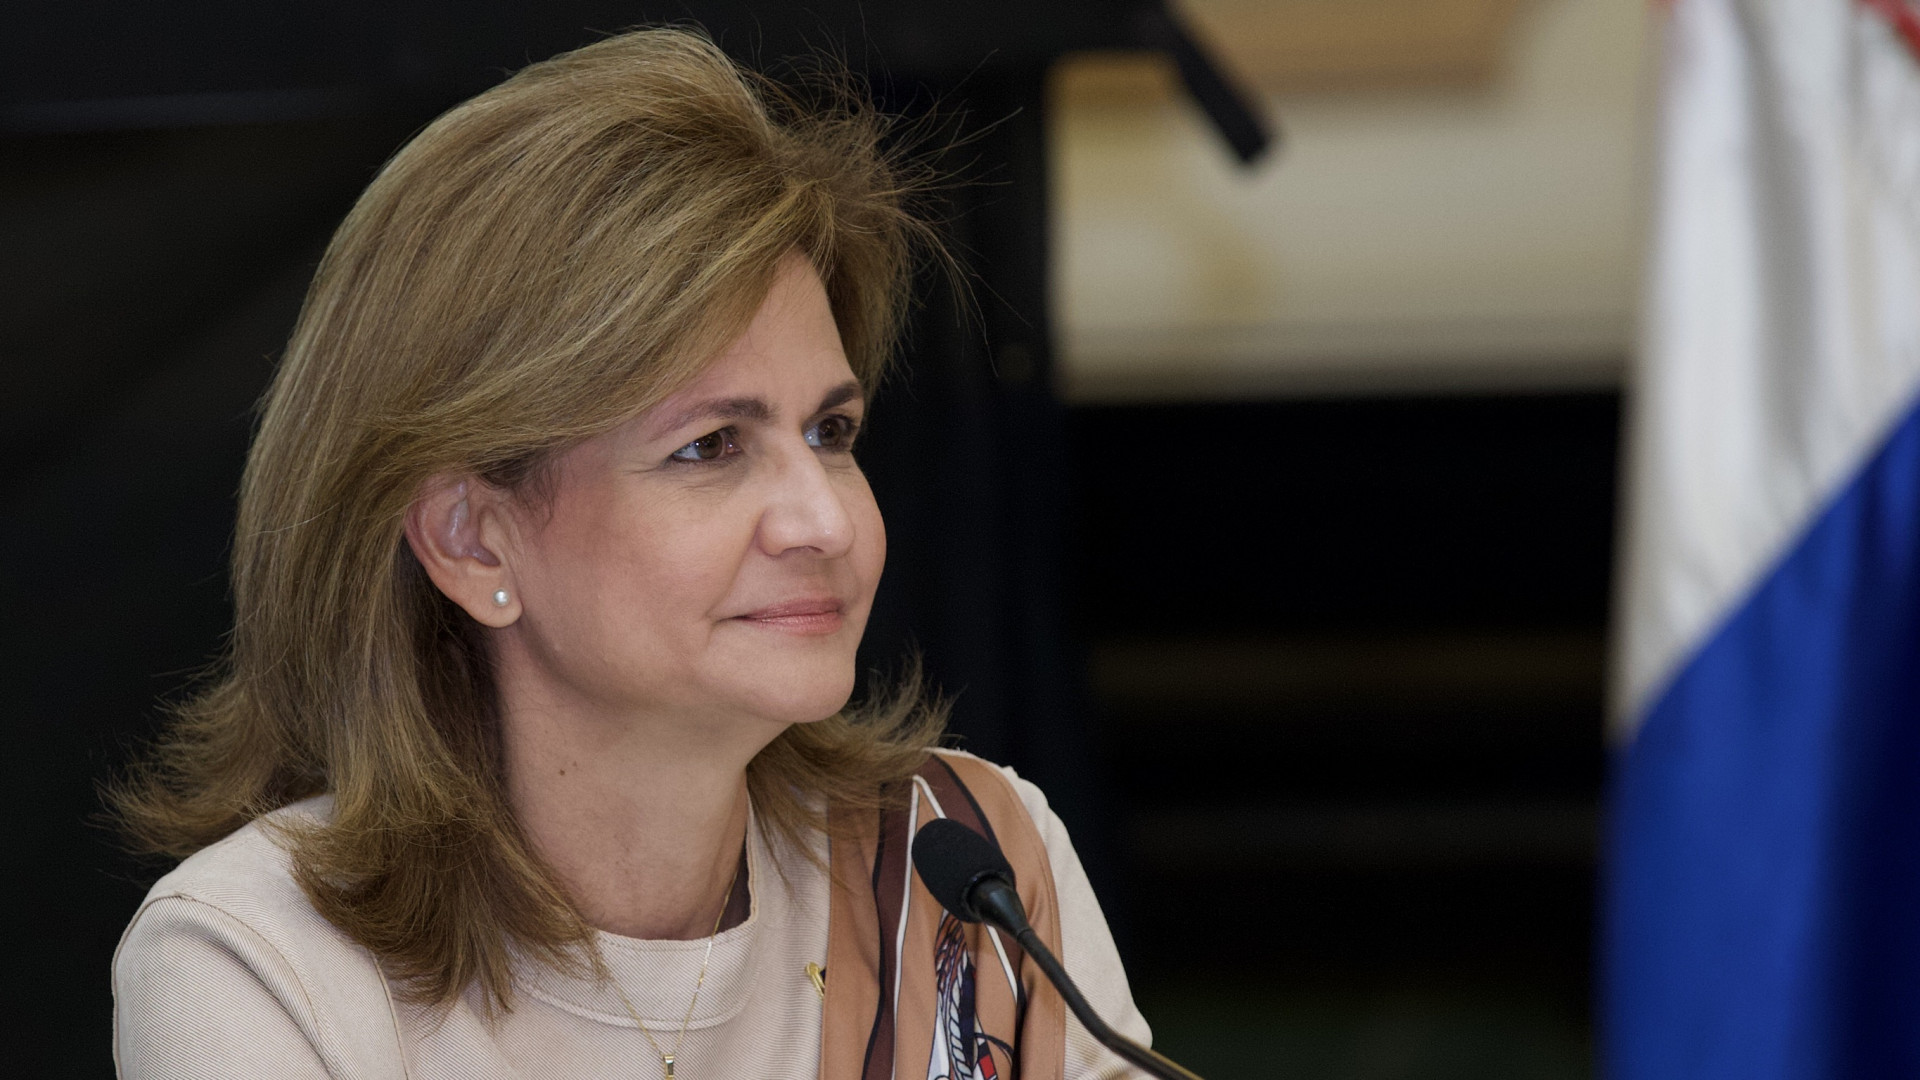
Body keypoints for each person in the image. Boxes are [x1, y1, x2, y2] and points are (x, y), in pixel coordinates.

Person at [108, 25, 1150, 1080]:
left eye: (831, 433)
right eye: (711, 446)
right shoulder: (261, 962)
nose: (825, 522)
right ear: (472, 541)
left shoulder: (967, 867)